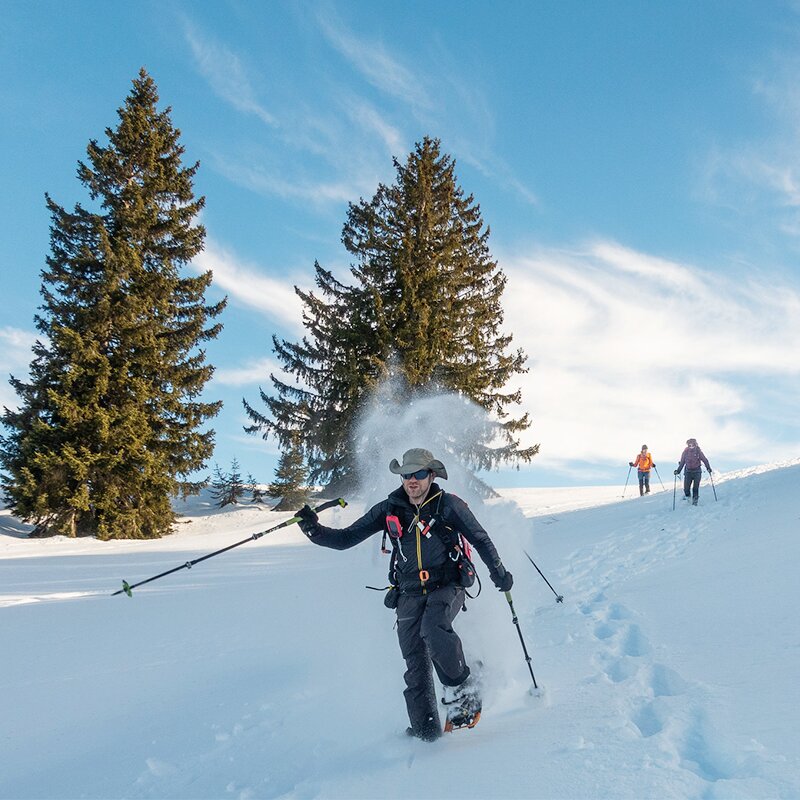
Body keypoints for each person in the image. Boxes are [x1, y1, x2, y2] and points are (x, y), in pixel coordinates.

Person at [295, 447, 514, 742]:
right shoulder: (389, 509)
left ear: (431, 475)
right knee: (415, 663)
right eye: (407, 474)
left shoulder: (448, 505)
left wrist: (498, 571)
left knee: (433, 629)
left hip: (447, 584)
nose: (412, 480)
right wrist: (314, 530)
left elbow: (480, 538)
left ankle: (466, 691)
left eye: (419, 474)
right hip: (408, 592)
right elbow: (346, 538)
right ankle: (425, 732)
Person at [674, 438, 711, 506]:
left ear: (695, 444)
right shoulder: (685, 452)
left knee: (695, 487)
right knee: (686, 488)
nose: (691, 446)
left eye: (692, 444)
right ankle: (688, 498)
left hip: (697, 472)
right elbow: (682, 462)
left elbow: (705, 460)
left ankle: (695, 501)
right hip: (688, 472)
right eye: (689, 445)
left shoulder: (698, 451)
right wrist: (678, 471)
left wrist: (708, 468)